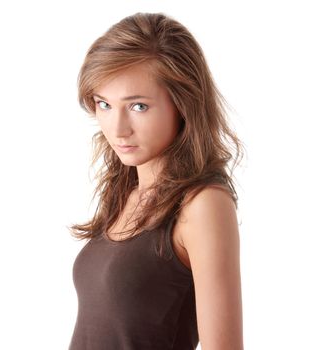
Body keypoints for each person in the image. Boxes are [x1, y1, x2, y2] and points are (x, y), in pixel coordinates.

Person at [68, 11, 245, 350]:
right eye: (104, 104)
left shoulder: (203, 204)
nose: (117, 129)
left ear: (183, 104)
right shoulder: (127, 192)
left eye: (138, 106)